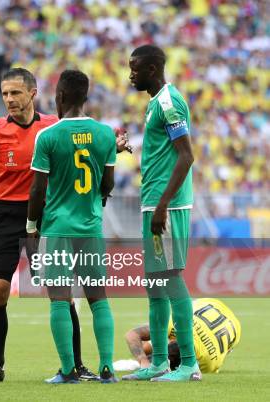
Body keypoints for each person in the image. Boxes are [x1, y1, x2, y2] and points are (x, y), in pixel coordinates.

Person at [0, 67, 100, 382]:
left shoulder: (53, 126)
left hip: (46, 216)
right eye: (4, 94)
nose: (9, 99)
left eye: (15, 93)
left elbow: (86, 149)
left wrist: (113, 148)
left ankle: (76, 365)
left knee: (60, 293)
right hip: (5, 216)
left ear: (32, 93)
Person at [27, 69, 118, 384]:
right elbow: (108, 183)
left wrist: (31, 225)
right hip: (91, 227)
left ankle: (68, 370)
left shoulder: (48, 136)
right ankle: (107, 368)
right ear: (86, 97)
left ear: (60, 97)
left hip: (57, 228)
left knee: (59, 298)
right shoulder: (106, 134)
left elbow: (38, 189)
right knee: (98, 298)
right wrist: (97, 199)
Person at [122, 44, 198, 382]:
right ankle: (158, 365)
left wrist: (163, 205)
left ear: (152, 69)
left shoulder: (169, 101)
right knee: (154, 284)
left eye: (135, 68)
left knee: (170, 278)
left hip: (167, 206)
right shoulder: (155, 103)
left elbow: (186, 155)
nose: (130, 74)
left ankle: (189, 365)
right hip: (152, 203)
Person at [123, 298, 241, 374]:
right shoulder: (208, 365)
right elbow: (132, 334)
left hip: (229, 325)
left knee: (147, 347)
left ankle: (152, 351)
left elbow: (131, 334)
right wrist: (144, 361)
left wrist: (143, 361)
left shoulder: (209, 365)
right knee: (149, 345)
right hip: (211, 306)